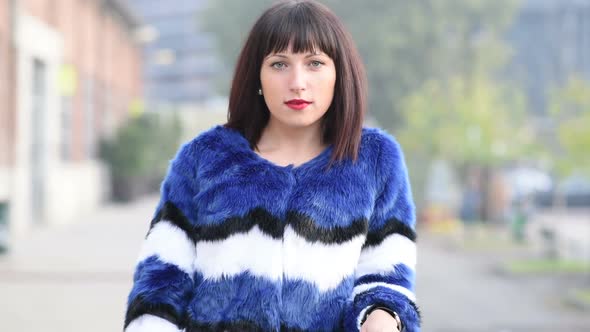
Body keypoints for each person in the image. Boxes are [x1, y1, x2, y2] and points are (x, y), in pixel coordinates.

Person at [123, 1, 420, 331]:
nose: (297, 82)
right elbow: (161, 285)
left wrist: (382, 316)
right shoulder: (203, 160)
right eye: (279, 64)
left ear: (339, 73)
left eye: (315, 63)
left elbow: (387, 279)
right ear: (257, 77)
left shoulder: (375, 160)